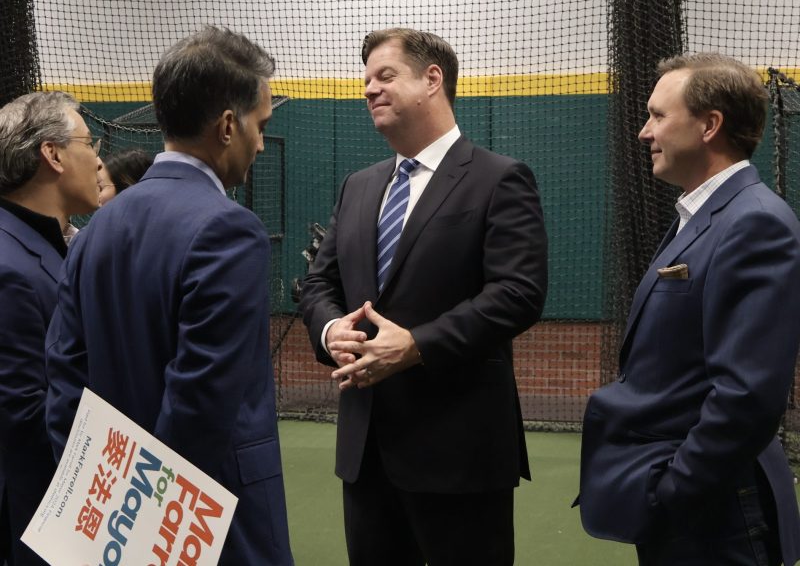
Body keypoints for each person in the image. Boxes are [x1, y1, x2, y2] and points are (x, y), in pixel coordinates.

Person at [45, 26, 293, 565]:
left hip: (111, 523)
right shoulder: (231, 230)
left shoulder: (96, 232)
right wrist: (151, 522)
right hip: (209, 526)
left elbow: (64, 382)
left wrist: (112, 510)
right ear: (229, 125)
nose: (258, 141)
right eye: (260, 124)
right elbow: (200, 405)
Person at [300, 28, 548, 566]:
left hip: (459, 453)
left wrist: (416, 344)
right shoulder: (358, 186)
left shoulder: (498, 179)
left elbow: (518, 293)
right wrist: (329, 329)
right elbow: (321, 283)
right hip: (366, 454)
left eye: (384, 76)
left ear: (432, 80)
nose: (369, 90)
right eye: (365, 80)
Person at [576, 53, 800, 565]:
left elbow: (747, 396)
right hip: (700, 513)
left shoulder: (754, 223)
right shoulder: (703, 215)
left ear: (709, 126)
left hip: (716, 517)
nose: (643, 132)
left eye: (657, 115)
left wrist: (672, 491)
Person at [0, 91, 101, 565]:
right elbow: (24, 422)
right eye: (88, 144)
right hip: (41, 524)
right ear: (52, 154)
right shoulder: (10, 267)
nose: (98, 160)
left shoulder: (49, 245)